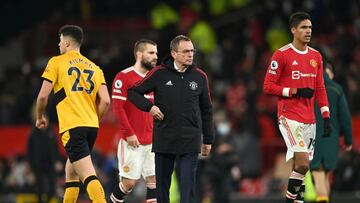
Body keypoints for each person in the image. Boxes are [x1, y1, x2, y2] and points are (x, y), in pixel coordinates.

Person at [128, 35, 214, 203]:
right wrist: (150, 107)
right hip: (164, 139)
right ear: (174, 53)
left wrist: (208, 139)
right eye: (186, 51)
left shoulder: (200, 76)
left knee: (188, 188)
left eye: (192, 51)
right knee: (162, 190)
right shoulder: (159, 73)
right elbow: (133, 92)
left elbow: (207, 109)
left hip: (190, 139)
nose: (190, 55)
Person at [35, 25, 110, 203]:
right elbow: (106, 101)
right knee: (71, 171)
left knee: (89, 176)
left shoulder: (56, 62)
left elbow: (43, 96)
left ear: (67, 42)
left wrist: (39, 117)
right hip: (91, 126)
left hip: (73, 127)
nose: (59, 45)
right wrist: (94, 119)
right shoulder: (95, 68)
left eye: (60, 41)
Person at [263, 12, 331, 203]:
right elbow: (268, 86)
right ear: (293, 30)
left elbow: (320, 87)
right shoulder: (282, 55)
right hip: (289, 117)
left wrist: (325, 116)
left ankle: (296, 201)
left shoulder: (316, 56)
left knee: (298, 168)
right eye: (303, 27)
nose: (308, 31)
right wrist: (295, 91)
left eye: (309, 27)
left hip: (310, 119)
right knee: (303, 164)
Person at [110, 39, 158, 203]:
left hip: (152, 140)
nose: (155, 57)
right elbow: (118, 108)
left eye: (156, 53)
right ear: (139, 54)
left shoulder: (155, 78)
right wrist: (129, 133)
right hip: (132, 140)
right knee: (129, 183)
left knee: (154, 181)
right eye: (151, 53)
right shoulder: (123, 77)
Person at [310, 62, 353, 203]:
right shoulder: (337, 89)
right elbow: (345, 118)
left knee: (317, 173)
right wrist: (348, 141)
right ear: (331, 75)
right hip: (331, 139)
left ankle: (322, 199)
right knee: (325, 174)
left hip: (312, 137)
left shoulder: (308, 88)